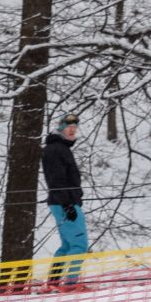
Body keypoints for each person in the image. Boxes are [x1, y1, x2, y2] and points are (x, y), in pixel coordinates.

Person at [42, 111, 89, 288]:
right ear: (60, 128)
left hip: (62, 202)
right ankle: (70, 284)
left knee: (68, 245)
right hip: (64, 203)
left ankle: (54, 282)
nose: (72, 130)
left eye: (74, 127)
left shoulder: (59, 148)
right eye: (68, 127)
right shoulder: (56, 150)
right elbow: (56, 179)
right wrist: (68, 203)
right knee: (80, 245)